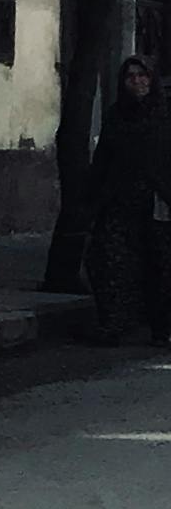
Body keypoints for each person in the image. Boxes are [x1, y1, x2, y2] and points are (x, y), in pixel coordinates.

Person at [85, 56, 170, 345]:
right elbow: (104, 159)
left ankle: (161, 328)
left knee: (158, 265)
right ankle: (114, 324)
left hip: (157, 201)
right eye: (131, 76)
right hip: (119, 200)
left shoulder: (164, 115)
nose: (137, 81)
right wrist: (94, 195)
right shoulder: (115, 116)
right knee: (110, 260)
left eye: (142, 75)